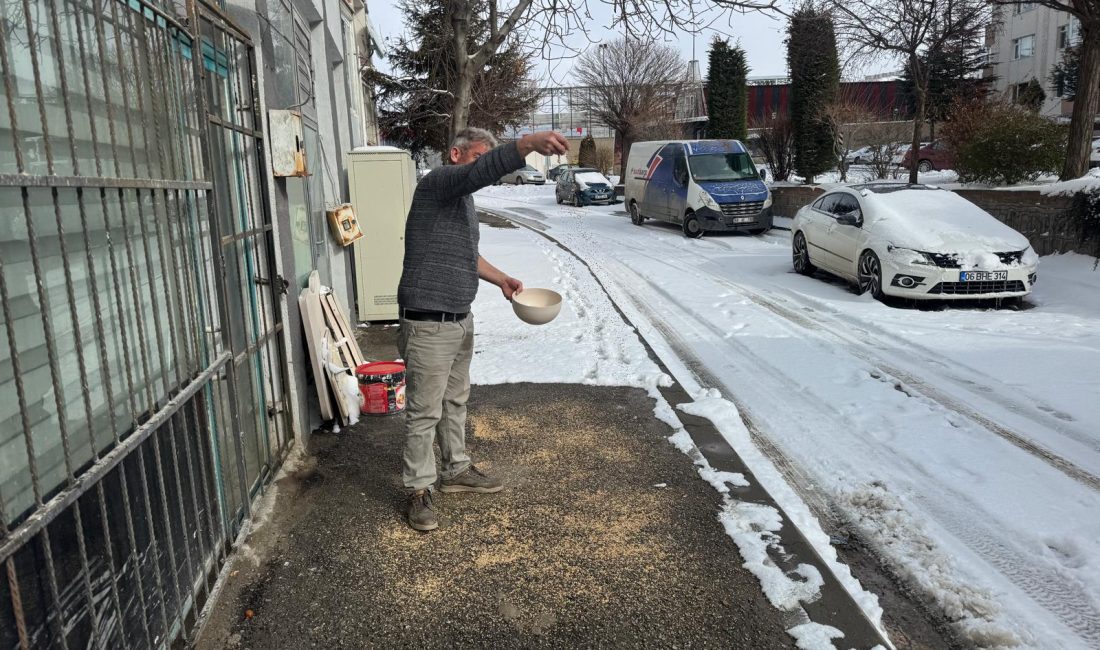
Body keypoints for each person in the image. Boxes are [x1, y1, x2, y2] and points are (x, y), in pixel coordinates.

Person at [398, 127, 570, 531]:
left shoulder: (461, 200)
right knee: (424, 413)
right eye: (477, 157)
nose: (483, 167)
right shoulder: (440, 182)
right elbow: (479, 173)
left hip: (459, 317)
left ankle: (455, 469)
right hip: (428, 322)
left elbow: (467, 254)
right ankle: (418, 490)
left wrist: (501, 279)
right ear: (456, 154)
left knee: (454, 401)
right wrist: (525, 145)